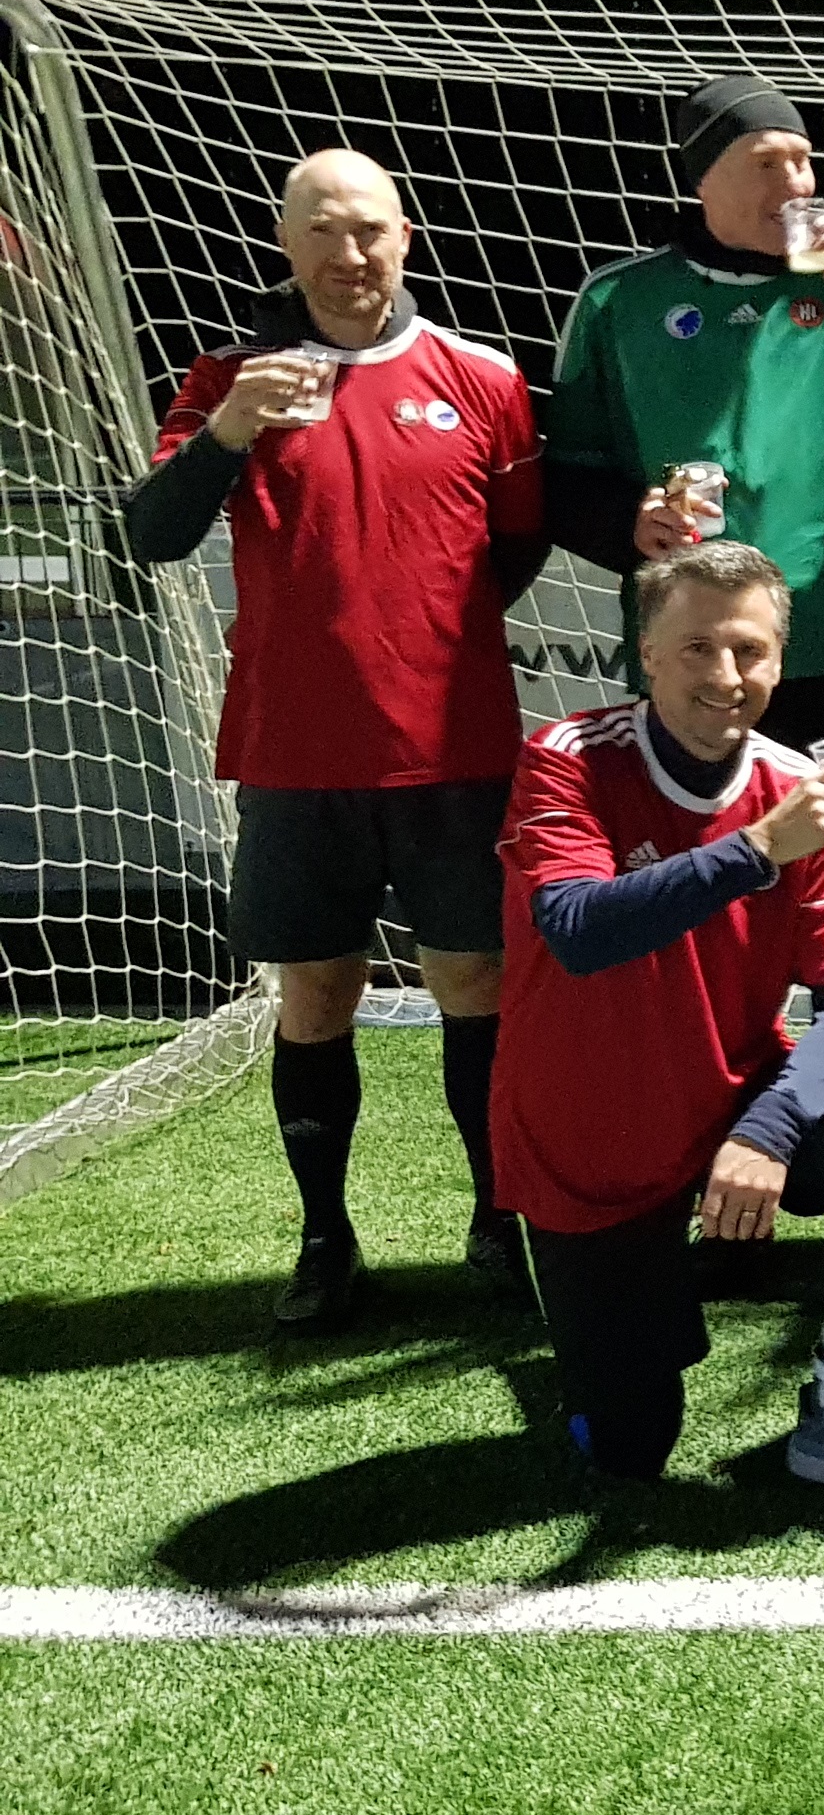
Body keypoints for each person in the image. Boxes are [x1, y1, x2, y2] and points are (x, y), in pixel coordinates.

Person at [125, 148, 545, 1325]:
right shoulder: (229, 378)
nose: (348, 253)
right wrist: (227, 434)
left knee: (476, 982)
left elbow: (514, 544)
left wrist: (423, 640)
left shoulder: (483, 376)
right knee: (314, 996)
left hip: (454, 749)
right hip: (294, 754)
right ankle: (326, 1238)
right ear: (286, 243)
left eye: (368, 229)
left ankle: (498, 1218)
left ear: (404, 237)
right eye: (322, 230)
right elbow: (151, 536)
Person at [490, 542, 824, 1512]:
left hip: (728, 1094)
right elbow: (577, 930)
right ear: (647, 654)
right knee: (630, 1445)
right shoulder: (567, 759)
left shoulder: (798, 787)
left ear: (781, 660)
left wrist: (770, 1129)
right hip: (588, 1131)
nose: (726, 675)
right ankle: (592, 1360)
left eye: (750, 650)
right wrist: (758, 849)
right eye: (697, 647)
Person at [542, 74, 824, 1089]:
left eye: (804, 158)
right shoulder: (621, 300)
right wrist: (629, 523)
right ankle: (701, 1129)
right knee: (701, 908)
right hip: (697, 669)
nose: (797, 180)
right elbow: (566, 480)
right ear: (704, 179)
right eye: (766, 160)